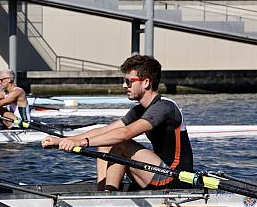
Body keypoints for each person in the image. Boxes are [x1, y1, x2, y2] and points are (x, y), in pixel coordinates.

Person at [41, 55, 193, 191]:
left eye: (129, 81)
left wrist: (82, 143)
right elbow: (105, 131)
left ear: (146, 82)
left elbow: (124, 134)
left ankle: (109, 197)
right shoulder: (139, 110)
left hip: (176, 178)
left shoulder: (164, 107)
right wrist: (65, 140)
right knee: (106, 142)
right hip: (157, 173)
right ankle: (102, 193)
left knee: (121, 143)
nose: (124, 86)